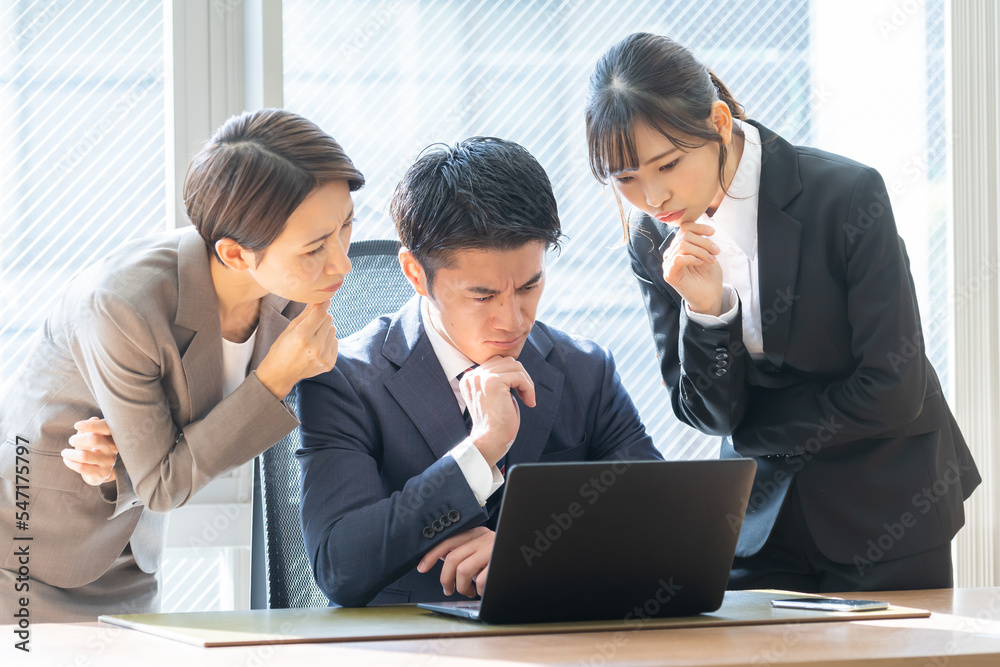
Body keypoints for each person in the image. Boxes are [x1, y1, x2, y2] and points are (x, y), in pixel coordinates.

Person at [584, 33, 981, 592]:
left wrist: (759, 430)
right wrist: (708, 313)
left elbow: (893, 388)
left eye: (668, 164)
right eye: (624, 178)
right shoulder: (653, 242)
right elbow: (709, 415)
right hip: (757, 523)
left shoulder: (845, 196)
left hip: (888, 505)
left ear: (719, 122)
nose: (652, 197)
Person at [0, 108, 361, 622]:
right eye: (315, 248)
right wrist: (276, 378)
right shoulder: (121, 306)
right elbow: (166, 482)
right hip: (25, 551)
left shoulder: (296, 288)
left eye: (346, 226)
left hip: (131, 552)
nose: (342, 262)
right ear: (235, 254)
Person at [297, 137, 662, 607]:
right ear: (414, 272)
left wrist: (528, 552)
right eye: (483, 296)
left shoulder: (585, 371)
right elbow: (340, 567)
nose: (512, 321)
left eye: (529, 286)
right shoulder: (345, 380)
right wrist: (480, 450)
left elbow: (658, 527)